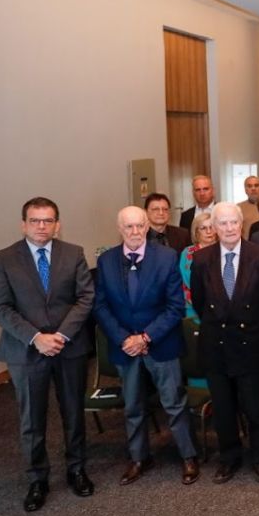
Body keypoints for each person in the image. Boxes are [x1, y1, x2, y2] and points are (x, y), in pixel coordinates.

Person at [0, 197, 95, 512]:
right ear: (23, 224)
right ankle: (37, 478)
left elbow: (85, 297)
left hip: (68, 347)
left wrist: (60, 335)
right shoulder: (4, 259)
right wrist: (36, 338)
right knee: (31, 418)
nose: (41, 226)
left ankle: (77, 469)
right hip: (26, 350)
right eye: (35, 220)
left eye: (48, 220)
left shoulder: (73, 253)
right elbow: (0, 306)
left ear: (57, 225)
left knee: (73, 412)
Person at [94, 206, 200, 486]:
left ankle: (188, 456)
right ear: (120, 229)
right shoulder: (106, 261)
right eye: (129, 226)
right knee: (133, 406)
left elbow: (175, 306)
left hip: (161, 343)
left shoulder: (167, 257)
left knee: (174, 403)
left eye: (140, 226)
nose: (135, 232)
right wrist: (125, 339)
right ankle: (139, 457)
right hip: (124, 346)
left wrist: (145, 338)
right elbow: (101, 307)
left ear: (147, 227)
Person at [189, 203, 259, 484]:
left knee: (257, 408)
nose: (229, 228)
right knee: (224, 409)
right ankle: (229, 458)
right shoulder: (201, 259)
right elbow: (200, 302)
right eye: (223, 223)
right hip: (216, 345)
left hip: (252, 344)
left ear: (241, 225)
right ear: (214, 228)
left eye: (233, 223)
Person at [178, 212, 217, 321]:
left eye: (211, 227)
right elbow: (184, 281)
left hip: (220, 309)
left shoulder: (224, 250)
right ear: (196, 232)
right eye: (203, 228)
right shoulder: (187, 253)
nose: (209, 231)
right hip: (193, 309)